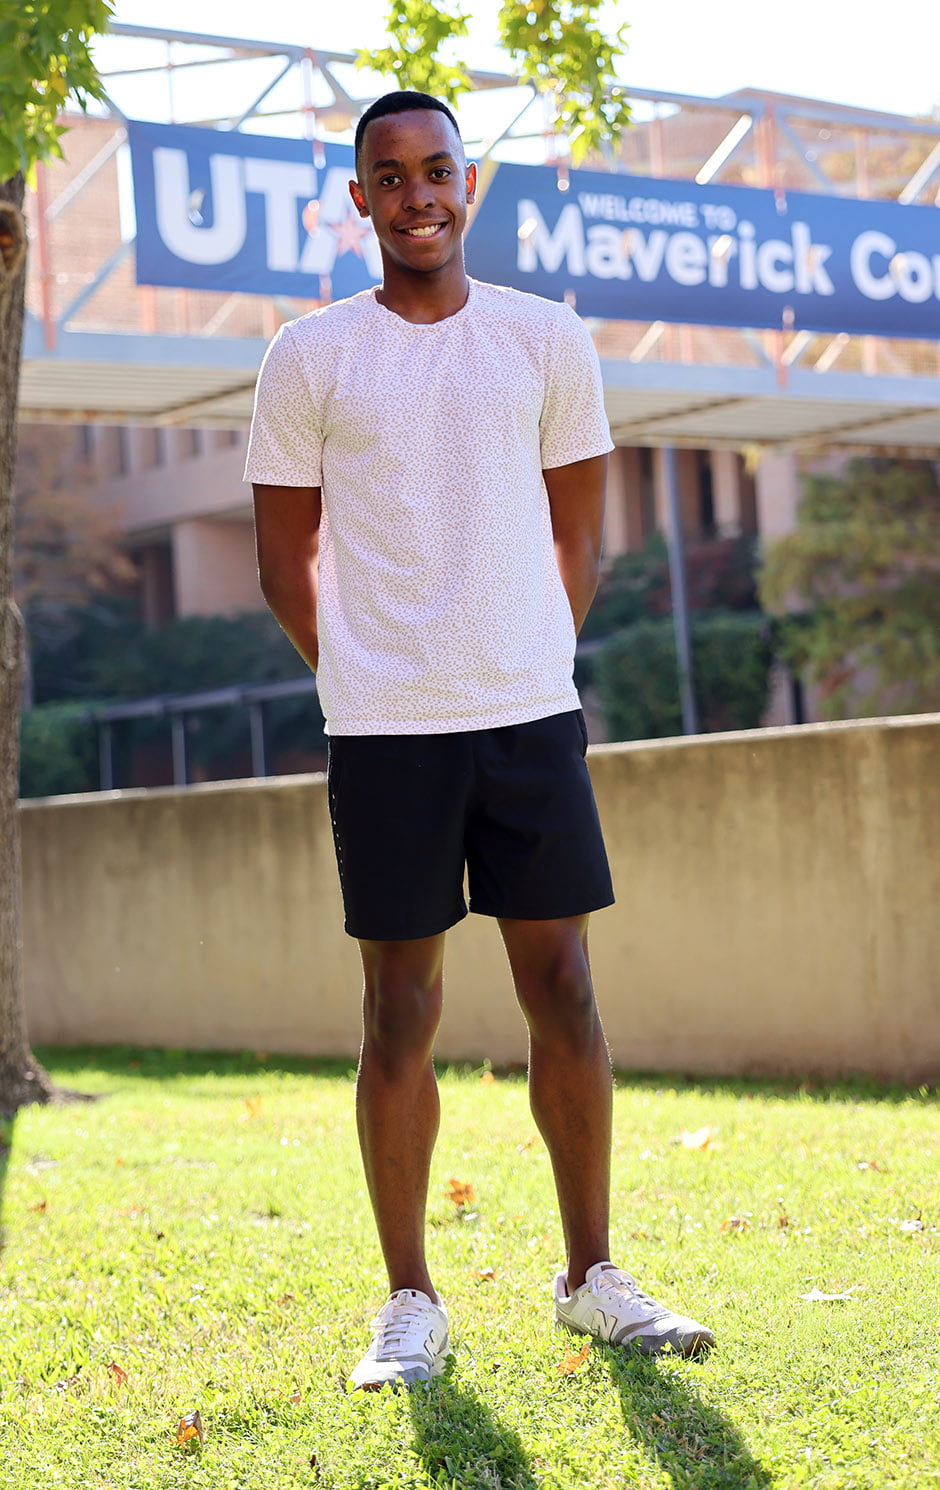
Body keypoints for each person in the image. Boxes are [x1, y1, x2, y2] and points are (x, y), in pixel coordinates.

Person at [246, 89, 714, 1391]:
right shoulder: (308, 356)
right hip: (387, 733)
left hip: (528, 718)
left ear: (471, 182)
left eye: (436, 169)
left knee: (563, 987)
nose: (417, 195)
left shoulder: (548, 339)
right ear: (359, 201)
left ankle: (592, 1275)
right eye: (388, 177)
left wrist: (525, 664)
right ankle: (409, 1301)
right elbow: (287, 561)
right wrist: (372, 680)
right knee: (400, 1008)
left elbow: (579, 536)